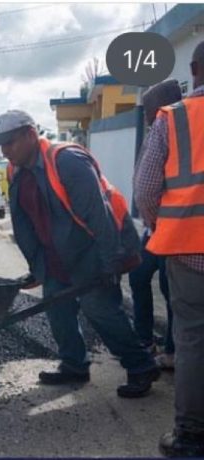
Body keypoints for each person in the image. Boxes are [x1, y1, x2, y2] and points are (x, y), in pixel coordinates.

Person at [0, 110, 159, 399]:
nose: (5, 151)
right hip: (57, 257)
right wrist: (38, 266)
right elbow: (26, 223)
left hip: (92, 251)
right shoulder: (15, 171)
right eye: (1, 145)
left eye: (10, 143)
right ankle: (74, 364)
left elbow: (99, 216)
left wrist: (109, 263)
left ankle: (141, 366)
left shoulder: (66, 161)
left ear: (31, 135)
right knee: (57, 308)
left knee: (100, 310)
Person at [135, 41, 204, 458]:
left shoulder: (174, 118)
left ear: (195, 70)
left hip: (190, 254)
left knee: (193, 337)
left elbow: (145, 190)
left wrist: (164, 227)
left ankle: (192, 436)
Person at [130, 80, 183, 371]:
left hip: (172, 229)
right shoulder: (159, 129)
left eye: (149, 109)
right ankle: (144, 339)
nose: (147, 116)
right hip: (156, 228)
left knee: (170, 287)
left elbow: (147, 189)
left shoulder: (173, 128)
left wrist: (153, 219)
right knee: (138, 276)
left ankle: (173, 351)